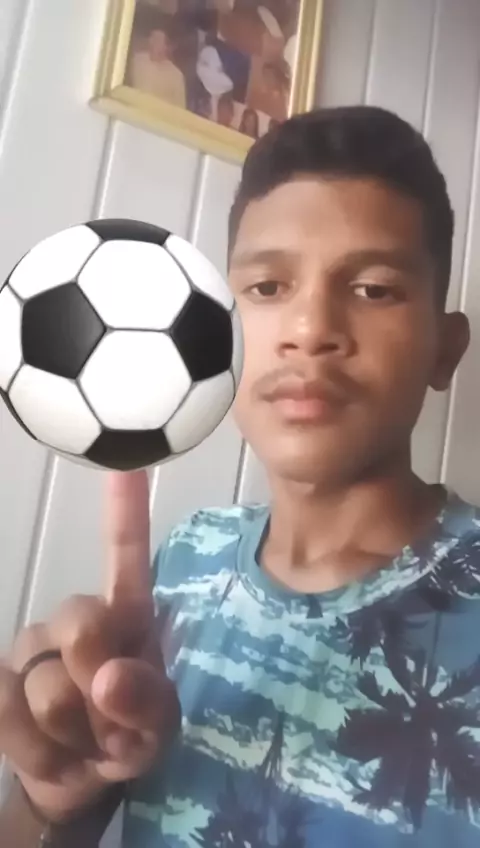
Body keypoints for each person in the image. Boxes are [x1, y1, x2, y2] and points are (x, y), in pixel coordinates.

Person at [1, 104, 479, 847]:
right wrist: (54, 804)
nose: (309, 329)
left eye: (374, 289)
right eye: (267, 288)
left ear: (444, 350)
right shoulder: (182, 562)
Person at [129, 15, 186, 109]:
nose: (152, 42)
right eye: (152, 38)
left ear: (168, 47)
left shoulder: (176, 76)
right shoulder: (137, 60)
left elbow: (180, 110)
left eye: (158, 40)